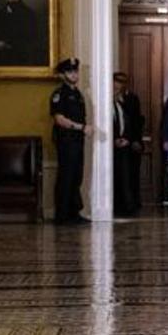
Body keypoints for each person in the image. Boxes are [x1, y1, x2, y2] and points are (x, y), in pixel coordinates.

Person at [49, 57, 91, 224]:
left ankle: (74, 212)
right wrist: (80, 127)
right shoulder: (59, 94)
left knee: (76, 176)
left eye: (75, 71)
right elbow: (59, 119)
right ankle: (62, 215)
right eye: (70, 72)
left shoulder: (78, 94)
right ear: (62, 75)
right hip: (66, 141)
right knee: (66, 177)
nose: (74, 75)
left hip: (77, 141)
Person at [112, 72, 144, 217]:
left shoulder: (132, 98)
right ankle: (122, 205)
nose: (118, 84)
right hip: (115, 144)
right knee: (120, 176)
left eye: (121, 82)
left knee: (131, 175)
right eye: (116, 81)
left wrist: (134, 140)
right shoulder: (111, 100)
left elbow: (136, 121)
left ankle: (132, 203)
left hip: (131, 142)